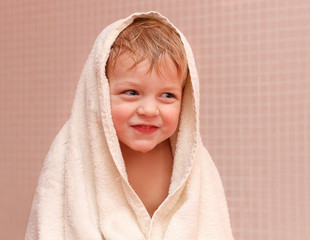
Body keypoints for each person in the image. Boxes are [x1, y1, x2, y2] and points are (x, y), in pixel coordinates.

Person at [25, 11, 234, 239]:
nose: (149, 110)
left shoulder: (192, 163)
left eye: (167, 95)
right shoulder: (73, 153)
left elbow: (208, 225)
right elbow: (52, 223)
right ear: (100, 94)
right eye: (131, 92)